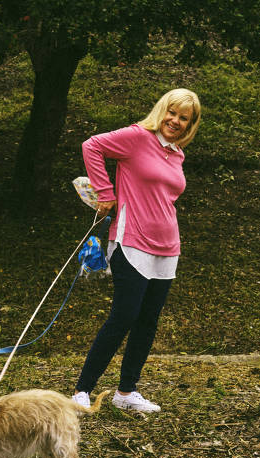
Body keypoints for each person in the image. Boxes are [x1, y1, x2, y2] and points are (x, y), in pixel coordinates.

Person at [72, 88, 201, 413]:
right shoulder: (136, 137)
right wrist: (105, 191)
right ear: (162, 110)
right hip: (131, 241)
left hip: (167, 247)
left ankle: (126, 392)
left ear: (190, 125)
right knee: (124, 316)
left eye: (183, 118)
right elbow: (92, 145)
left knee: (148, 321)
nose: (175, 121)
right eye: (172, 113)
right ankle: (82, 390)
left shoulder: (176, 153)